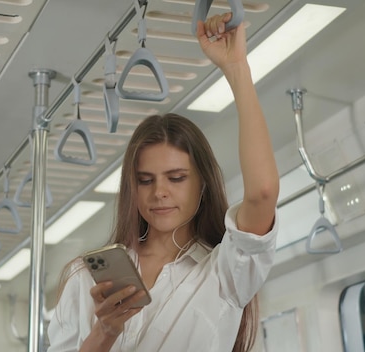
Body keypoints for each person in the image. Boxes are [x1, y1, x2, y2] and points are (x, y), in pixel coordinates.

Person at [47, 12, 280, 352]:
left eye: (177, 178)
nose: (159, 192)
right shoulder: (86, 278)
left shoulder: (224, 273)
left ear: (202, 183)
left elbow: (262, 193)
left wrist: (236, 68)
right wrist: (105, 331)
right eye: (144, 180)